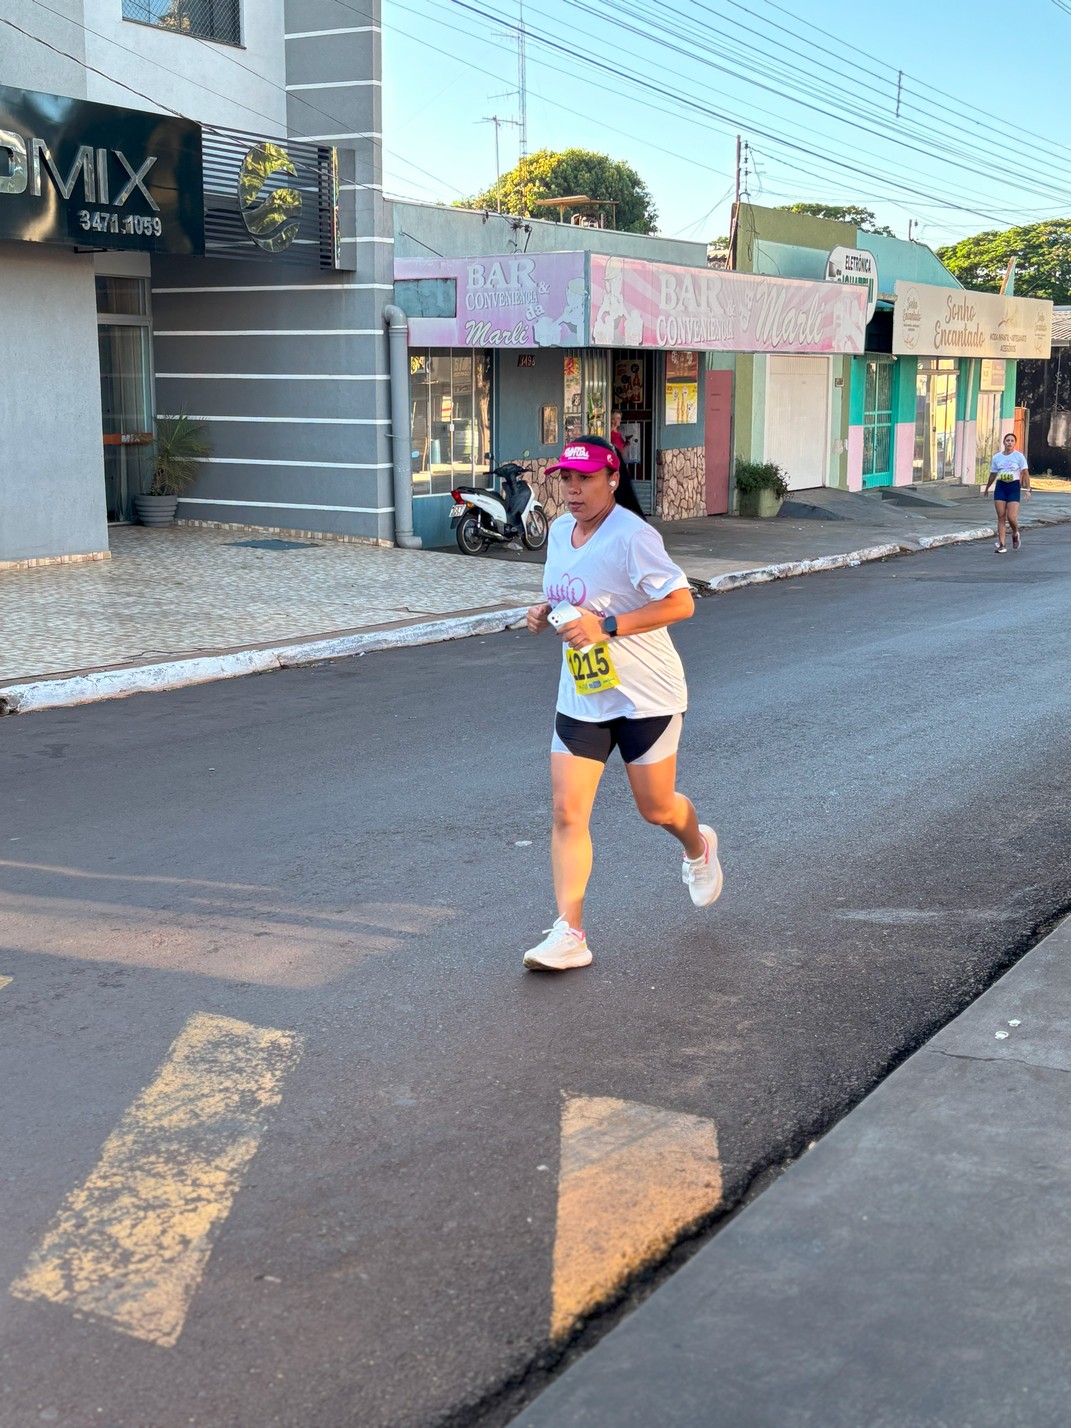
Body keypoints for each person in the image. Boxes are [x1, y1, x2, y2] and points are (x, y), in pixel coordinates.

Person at [522, 434, 723, 972]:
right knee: (567, 811)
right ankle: (571, 932)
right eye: (566, 478)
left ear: (613, 479)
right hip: (584, 695)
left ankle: (698, 844)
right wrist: (546, 609)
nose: (573, 489)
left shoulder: (634, 535)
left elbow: (681, 602)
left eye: (585, 478)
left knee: (655, 808)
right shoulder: (561, 530)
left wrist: (606, 627)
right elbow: (577, 591)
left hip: (646, 696)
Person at [983, 433, 1031, 553]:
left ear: (1014, 443)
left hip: (1013, 487)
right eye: (1007, 440)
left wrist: (1028, 489)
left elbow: (1025, 473)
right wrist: (987, 487)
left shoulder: (1019, 457)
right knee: (1001, 517)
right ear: (1004, 442)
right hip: (1001, 487)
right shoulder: (997, 457)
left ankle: (1015, 533)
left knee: (1011, 517)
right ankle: (1002, 545)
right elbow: (993, 474)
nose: (1009, 442)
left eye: (1012, 441)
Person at [608, 411, 645, 519]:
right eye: (617, 418)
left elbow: (621, 449)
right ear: (612, 419)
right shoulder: (610, 433)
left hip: (620, 461)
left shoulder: (618, 433)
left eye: (620, 418)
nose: (619, 420)